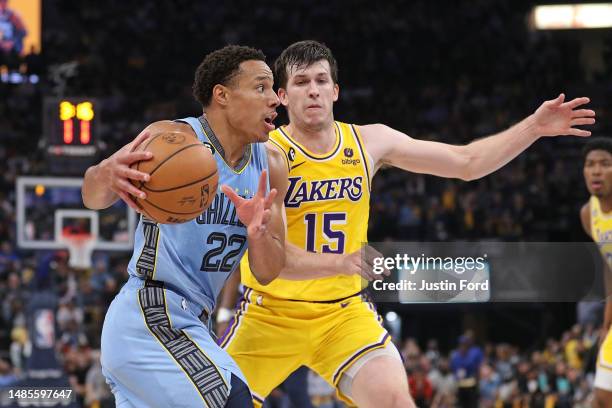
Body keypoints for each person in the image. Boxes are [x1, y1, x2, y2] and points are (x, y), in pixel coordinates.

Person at [218, 40, 596, 408]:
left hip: (342, 313)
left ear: (336, 91)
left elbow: (466, 163)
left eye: (320, 81)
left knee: (397, 401)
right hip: (269, 313)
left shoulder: (369, 142)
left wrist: (534, 127)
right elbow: (268, 258)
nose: (312, 91)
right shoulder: (267, 155)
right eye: (301, 82)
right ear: (282, 96)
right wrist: (341, 262)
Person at [82, 45, 288, 408]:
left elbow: (269, 271)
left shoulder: (272, 165)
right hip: (150, 313)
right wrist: (105, 173)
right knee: (233, 398)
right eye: (261, 87)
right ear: (221, 95)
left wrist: (257, 233)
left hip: (194, 322)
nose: (275, 99)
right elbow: (92, 196)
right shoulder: (172, 140)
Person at [579, 137, 612, 408]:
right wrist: (606, 324)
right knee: (601, 398)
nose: (596, 170)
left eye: (605, 164)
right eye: (590, 165)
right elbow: (608, 266)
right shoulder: (589, 214)